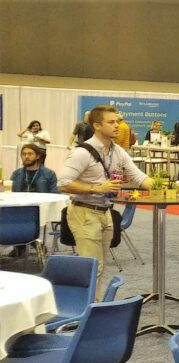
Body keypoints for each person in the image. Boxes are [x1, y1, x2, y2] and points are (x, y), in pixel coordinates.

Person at [56, 105, 154, 293]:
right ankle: (86, 312)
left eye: (118, 121)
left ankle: (93, 308)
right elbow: (62, 183)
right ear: (97, 126)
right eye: (111, 122)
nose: (117, 125)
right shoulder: (82, 152)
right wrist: (96, 188)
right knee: (93, 267)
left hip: (105, 212)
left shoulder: (117, 151)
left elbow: (139, 177)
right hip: (84, 212)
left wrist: (164, 187)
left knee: (99, 267)